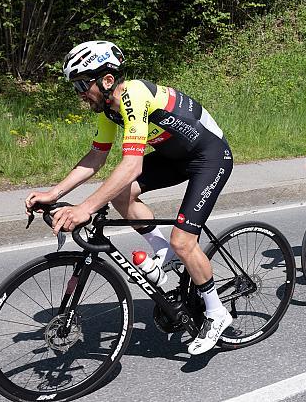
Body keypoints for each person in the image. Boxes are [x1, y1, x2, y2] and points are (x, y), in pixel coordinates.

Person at [25, 40, 233, 355]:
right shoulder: (108, 112)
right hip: (175, 157)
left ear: (107, 80)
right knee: (122, 194)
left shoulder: (132, 94)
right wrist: (52, 193)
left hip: (209, 157)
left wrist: (84, 208)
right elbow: (96, 158)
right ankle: (164, 253)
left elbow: (132, 164)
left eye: (83, 85)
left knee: (183, 241)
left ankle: (217, 313)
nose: (80, 94)